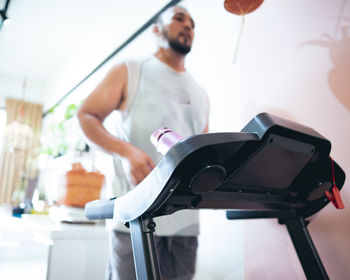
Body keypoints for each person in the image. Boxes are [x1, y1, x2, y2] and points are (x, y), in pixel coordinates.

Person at [78, 5, 209, 280]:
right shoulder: (131, 70)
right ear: (156, 29)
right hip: (134, 219)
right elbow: (87, 115)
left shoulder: (201, 93)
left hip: (186, 225)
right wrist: (126, 152)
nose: (188, 26)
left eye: (193, 23)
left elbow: (202, 154)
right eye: (179, 18)